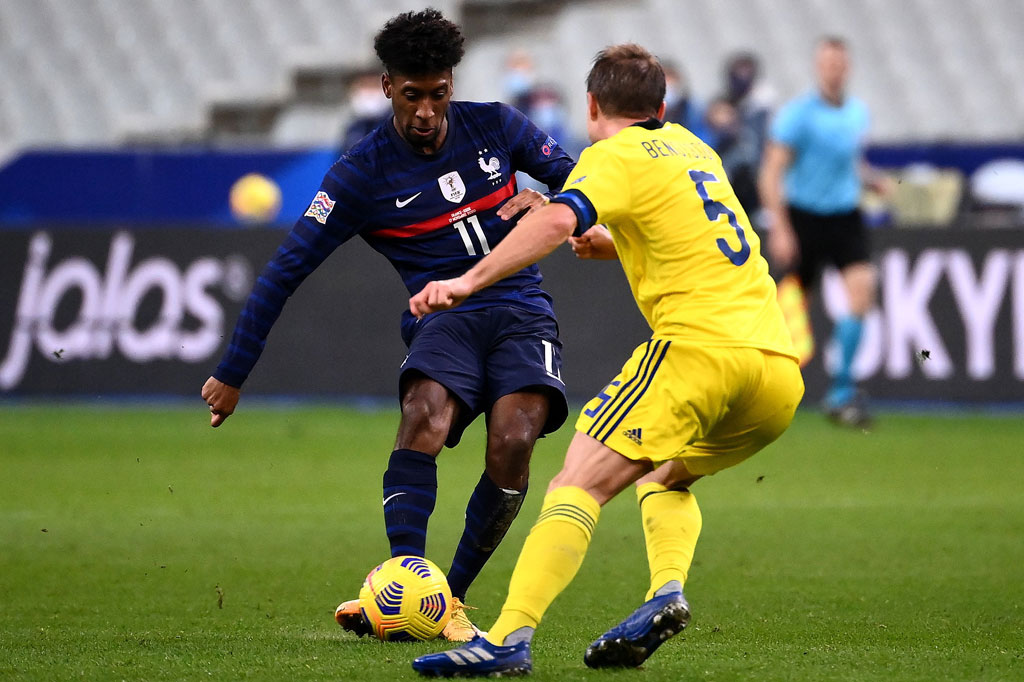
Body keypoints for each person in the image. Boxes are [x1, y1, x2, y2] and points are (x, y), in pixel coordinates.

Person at [409, 43, 804, 676]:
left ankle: (507, 637)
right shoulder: (693, 147)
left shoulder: (611, 154)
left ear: (591, 105)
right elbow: (701, 239)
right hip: (776, 370)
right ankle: (666, 592)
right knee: (665, 476)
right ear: (662, 106)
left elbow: (557, 216)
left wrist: (469, 281)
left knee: (575, 485)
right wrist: (612, 244)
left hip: (698, 351)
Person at [200, 9, 576, 642]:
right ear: (386, 88)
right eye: (412, 95)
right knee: (423, 415)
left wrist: (549, 199)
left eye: (437, 94)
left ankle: (446, 599)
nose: (426, 110)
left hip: (520, 307)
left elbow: (583, 183)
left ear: (451, 85)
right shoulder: (360, 174)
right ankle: (399, 584)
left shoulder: (496, 125)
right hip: (443, 315)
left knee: (514, 441)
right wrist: (233, 372)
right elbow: (285, 270)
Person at [759, 36, 886, 427]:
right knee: (790, 309)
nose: (834, 69)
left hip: (845, 215)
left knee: (863, 289)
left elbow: (846, 162)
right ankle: (766, 388)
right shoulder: (798, 116)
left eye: (839, 63)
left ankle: (842, 388)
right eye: (827, 62)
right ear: (819, 67)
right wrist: (780, 228)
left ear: (846, 67)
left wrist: (870, 179)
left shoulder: (857, 113)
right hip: (804, 218)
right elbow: (771, 172)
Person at [338, 70, 391, 153]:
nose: (370, 94)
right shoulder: (353, 129)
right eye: (364, 86)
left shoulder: (400, 128)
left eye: (374, 86)